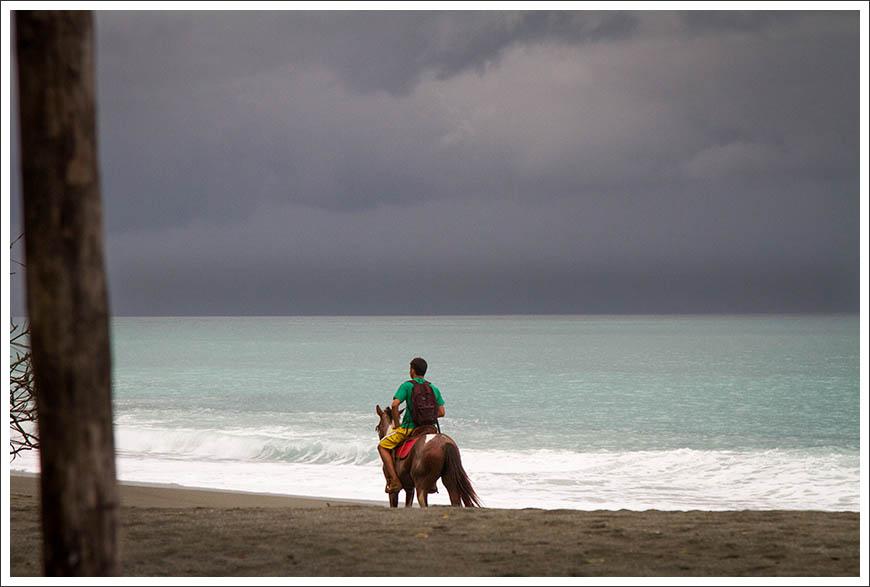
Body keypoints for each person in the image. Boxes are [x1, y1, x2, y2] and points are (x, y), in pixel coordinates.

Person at [377, 357, 446, 493]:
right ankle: (432, 482)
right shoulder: (433, 388)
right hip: (430, 429)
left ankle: (394, 480)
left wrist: (397, 424)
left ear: (412, 371)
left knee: (382, 446)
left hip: (409, 428)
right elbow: (442, 412)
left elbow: (394, 405)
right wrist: (426, 416)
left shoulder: (407, 386)